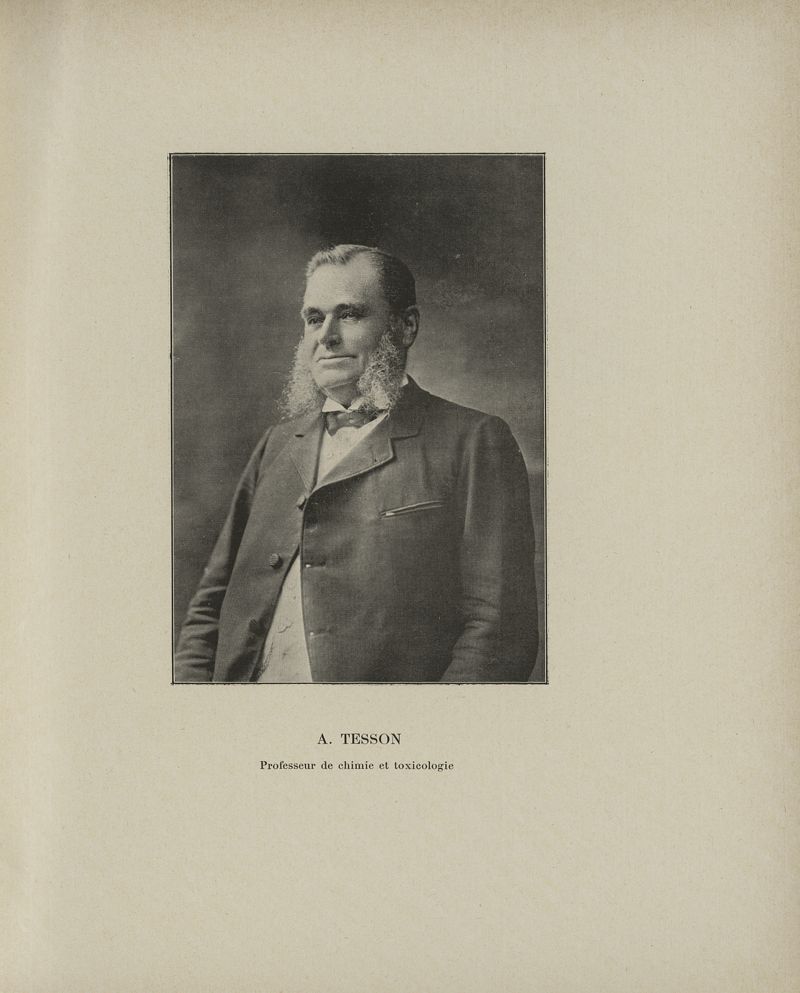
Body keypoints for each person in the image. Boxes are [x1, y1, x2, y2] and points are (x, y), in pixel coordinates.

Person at [174, 244, 538, 682]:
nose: (326, 336)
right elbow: (210, 605)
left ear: (405, 326)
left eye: (349, 315)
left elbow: (499, 631)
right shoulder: (277, 444)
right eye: (314, 319)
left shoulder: (473, 441)